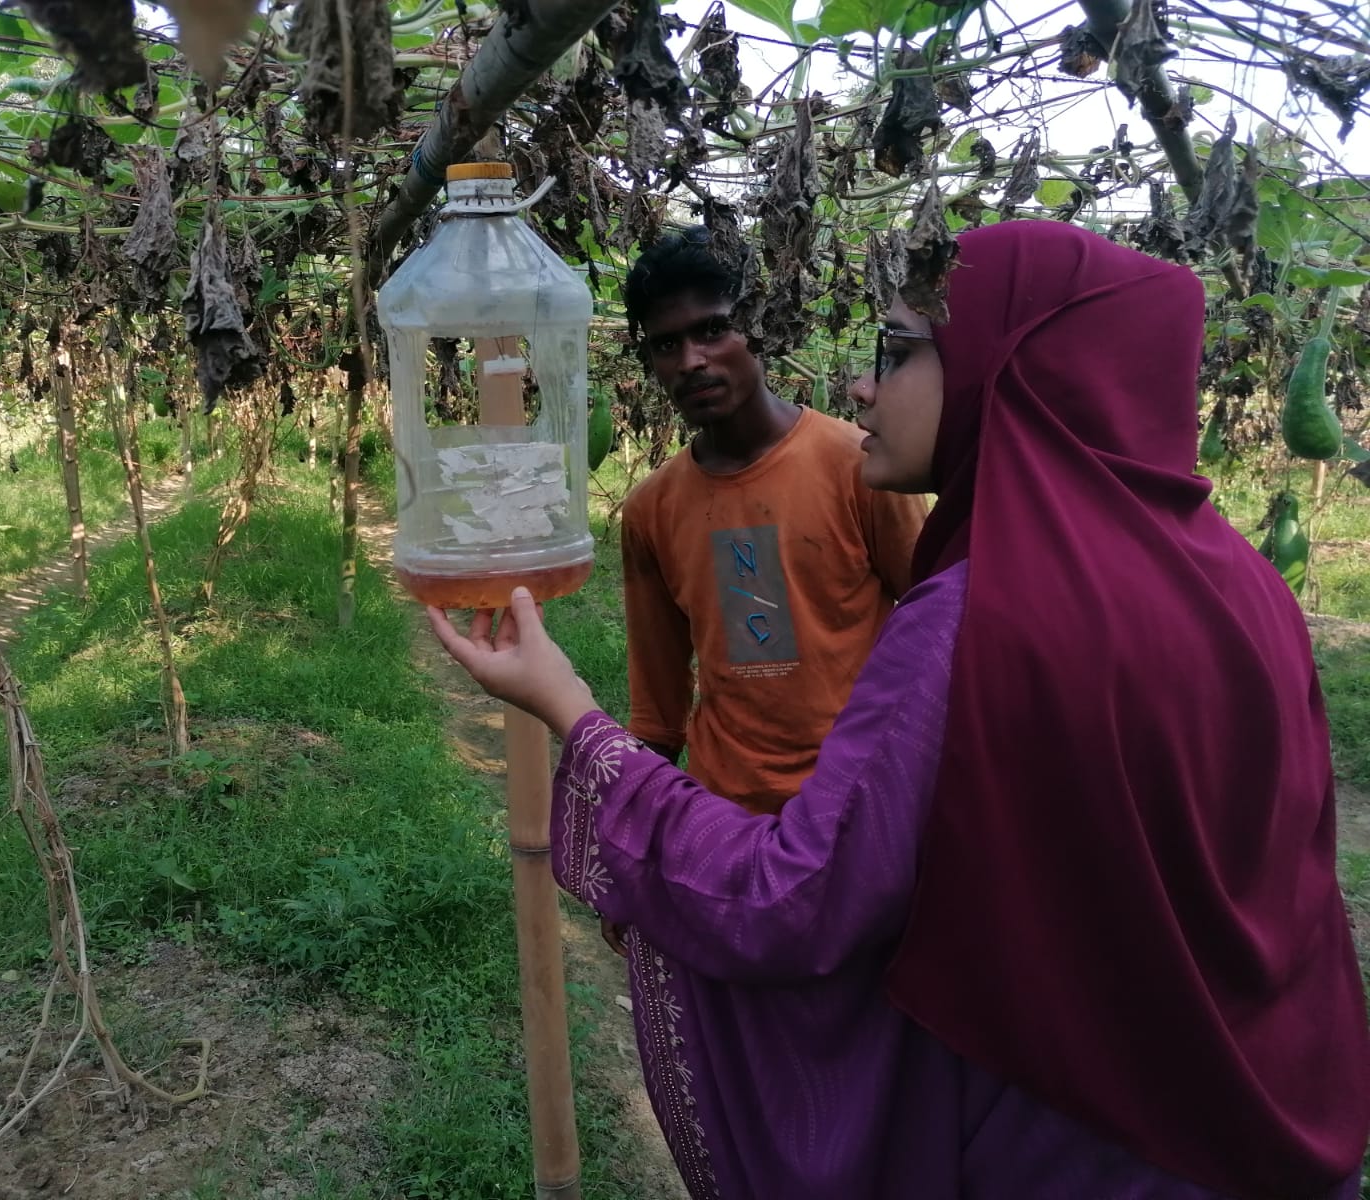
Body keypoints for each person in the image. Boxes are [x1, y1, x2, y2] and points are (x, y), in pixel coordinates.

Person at [428, 221, 1370, 1199]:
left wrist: (573, 716)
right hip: (1254, 1115)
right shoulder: (1249, 588)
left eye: (897, 351)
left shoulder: (971, 614)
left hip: (1066, 1132)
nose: (862, 385)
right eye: (665, 344)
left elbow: (795, 895)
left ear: (1006, 367)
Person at [609, 228, 925, 954]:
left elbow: (940, 634)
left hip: (859, 809)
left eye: (712, 329)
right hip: (726, 818)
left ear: (758, 325)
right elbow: (657, 707)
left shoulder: (857, 466)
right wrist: (634, 857)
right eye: (665, 344)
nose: (691, 360)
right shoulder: (653, 510)